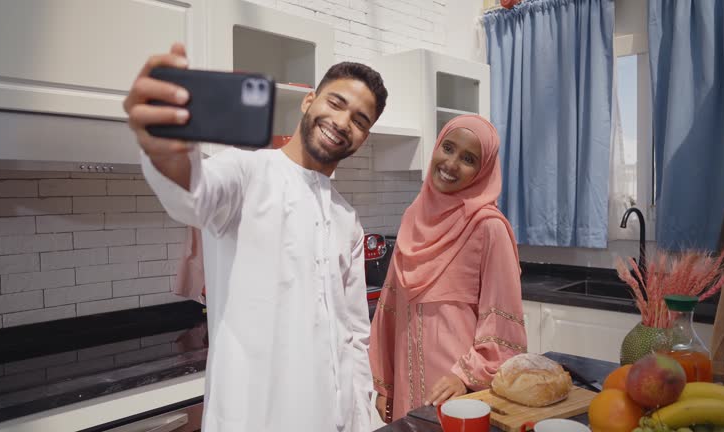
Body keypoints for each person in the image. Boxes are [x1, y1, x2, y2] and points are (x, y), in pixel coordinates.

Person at [123, 42, 388, 432]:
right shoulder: (245, 172)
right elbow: (193, 194)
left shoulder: (347, 219)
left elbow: (354, 336)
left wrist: (365, 415)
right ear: (309, 101)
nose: (343, 122)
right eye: (335, 103)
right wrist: (165, 150)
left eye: (361, 120)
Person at [368, 114, 527, 423]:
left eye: (468, 159)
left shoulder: (488, 228)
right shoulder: (413, 216)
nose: (451, 163)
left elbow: (504, 331)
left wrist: (465, 376)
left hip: (459, 394)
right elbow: (391, 309)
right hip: (405, 390)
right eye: (448, 148)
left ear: (483, 171)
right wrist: (384, 383)